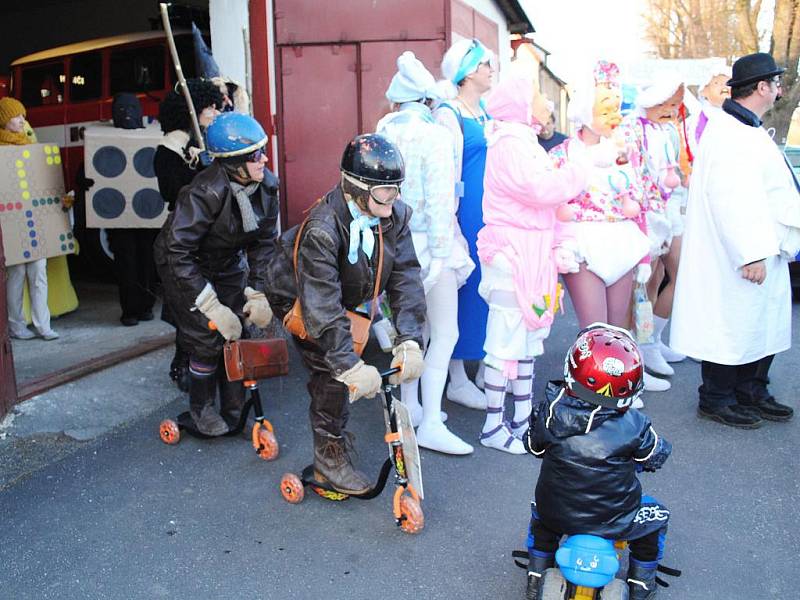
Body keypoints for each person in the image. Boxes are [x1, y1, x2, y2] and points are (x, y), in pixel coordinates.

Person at [265, 133, 426, 495]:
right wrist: (347, 365)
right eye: (385, 190)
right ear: (356, 188)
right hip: (298, 295)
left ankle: (335, 433)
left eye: (396, 188)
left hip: (348, 292)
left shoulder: (392, 215)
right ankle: (328, 458)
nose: (394, 197)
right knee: (331, 373)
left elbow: (406, 276)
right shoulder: (323, 230)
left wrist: (410, 338)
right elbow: (320, 305)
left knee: (357, 350)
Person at [671, 52, 799, 429]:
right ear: (761, 87)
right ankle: (716, 397)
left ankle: (750, 389)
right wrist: (750, 254)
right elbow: (730, 199)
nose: (779, 89)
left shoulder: (746, 128)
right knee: (730, 324)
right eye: (775, 83)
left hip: (767, 245)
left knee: (758, 324)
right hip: (745, 251)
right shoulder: (728, 133)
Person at [476, 73, 588, 454]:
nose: (548, 103)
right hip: (512, 254)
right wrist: (576, 172)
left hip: (534, 255)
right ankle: (494, 424)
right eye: (539, 96)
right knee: (505, 342)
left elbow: (545, 198)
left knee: (525, 341)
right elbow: (540, 190)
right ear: (521, 106)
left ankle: (522, 420)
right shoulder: (510, 144)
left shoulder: (526, 144)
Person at [524, 324, 672, 600]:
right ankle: (641, 583)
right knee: (657, 516)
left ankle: (536, 574)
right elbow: (654, 454)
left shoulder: (550, 412)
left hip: (557, 511)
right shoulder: (635, 424)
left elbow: (532, 445)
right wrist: (656, 455)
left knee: (539, 515)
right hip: (616, 518)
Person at [153, 112, 279, 436]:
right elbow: (175, 251)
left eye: (262, 150)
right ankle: (201, 410)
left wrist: (258, 291)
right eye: (255, 155)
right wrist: (209, 305)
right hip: (184, 263)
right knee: (207, 336)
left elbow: (264, 243)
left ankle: (234, 407)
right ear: (234, 162)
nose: (264, 159)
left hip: (226, 262)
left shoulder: (266, 186)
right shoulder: (204, 192)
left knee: (239, 328)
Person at [376, 51, 474, 454]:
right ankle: (430, 419)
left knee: (410, 333)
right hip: (428, 244)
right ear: (427, 100)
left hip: (391, 242)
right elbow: (439, 203)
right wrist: (438, 256)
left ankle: (411, 407)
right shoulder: (435, 134)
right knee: (444, 330)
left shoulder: (382, 130)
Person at [551, 61, 650, 333]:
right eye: (606, 110)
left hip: (622, 239)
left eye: (616, 109)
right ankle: (587, 377)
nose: (614, 117)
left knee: (618, 331)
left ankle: (620, 376)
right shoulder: (563, 154)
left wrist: (644, 259)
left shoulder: (623, 152)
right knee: (595, 332)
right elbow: (549, 199)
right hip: (582, 243)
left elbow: (639, 201)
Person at [434, 38, 495, 411]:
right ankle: (456, 376)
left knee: (486, 285)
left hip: (490, 212)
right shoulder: (448, 113)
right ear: (469, 71)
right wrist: (451, 217)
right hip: (464, 212)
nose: (490, 70)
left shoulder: (484, 111)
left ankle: (484, 364)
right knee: (461, 287)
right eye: (485, 64)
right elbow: (447, 170)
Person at [153, 78, 223, 389]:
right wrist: (199, 172)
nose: (214, 113)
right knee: (188, 304)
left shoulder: (207, 143)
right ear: (190, 111)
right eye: (208, 108)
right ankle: (184, 363)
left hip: (211, 236)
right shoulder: (169, 151)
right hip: (183, 235)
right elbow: (173, 191)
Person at [618, 75, 685, 392]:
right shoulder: (633, 128)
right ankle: (637, 354)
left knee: (658, 278)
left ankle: (648, 345)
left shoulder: (666, 128)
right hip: (643, 215)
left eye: (675, 105)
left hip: (665, 210)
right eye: (668, 104)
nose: (672, 110)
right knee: (640, 288)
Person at [1, 97, 59, 341]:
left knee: (38, 271)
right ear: (5, 120)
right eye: (17, 116)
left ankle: (43, 325)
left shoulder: (31, 146)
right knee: (16, 274)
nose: (22, 120)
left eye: (23, 115)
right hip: (11, 221)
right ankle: (16, 325)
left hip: (34, 219)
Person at [105, 94, 159, 327]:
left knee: (147, 261)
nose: (126, 113)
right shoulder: (104, 140)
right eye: (121, 108)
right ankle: (130, 310)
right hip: (118, 216)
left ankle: (145, 306)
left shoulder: (150, 138)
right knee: (125, 264)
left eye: (130, 108)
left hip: (145, 212)